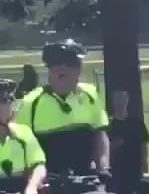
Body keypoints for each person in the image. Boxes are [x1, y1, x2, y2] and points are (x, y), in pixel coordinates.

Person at [17, 40, 110, 177]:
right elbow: (21, 148)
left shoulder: (90, 94)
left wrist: (103, 168)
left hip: (86, 179)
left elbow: (99, 136)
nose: (79, 71)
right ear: (56, 71)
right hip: (47, 182)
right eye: (75, 66)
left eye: (79, 66)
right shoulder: (31, 102)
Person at [106, 90, 149, 194]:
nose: (120, 102)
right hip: (116, 173)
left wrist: (144, 164)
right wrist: (113, 145)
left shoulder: (137, 124)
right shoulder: (108, 125)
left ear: (127, 100)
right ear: (113, 101)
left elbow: (143, 145)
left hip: (135, 171)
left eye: (122, 98)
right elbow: (102, 150)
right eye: (117, 99)